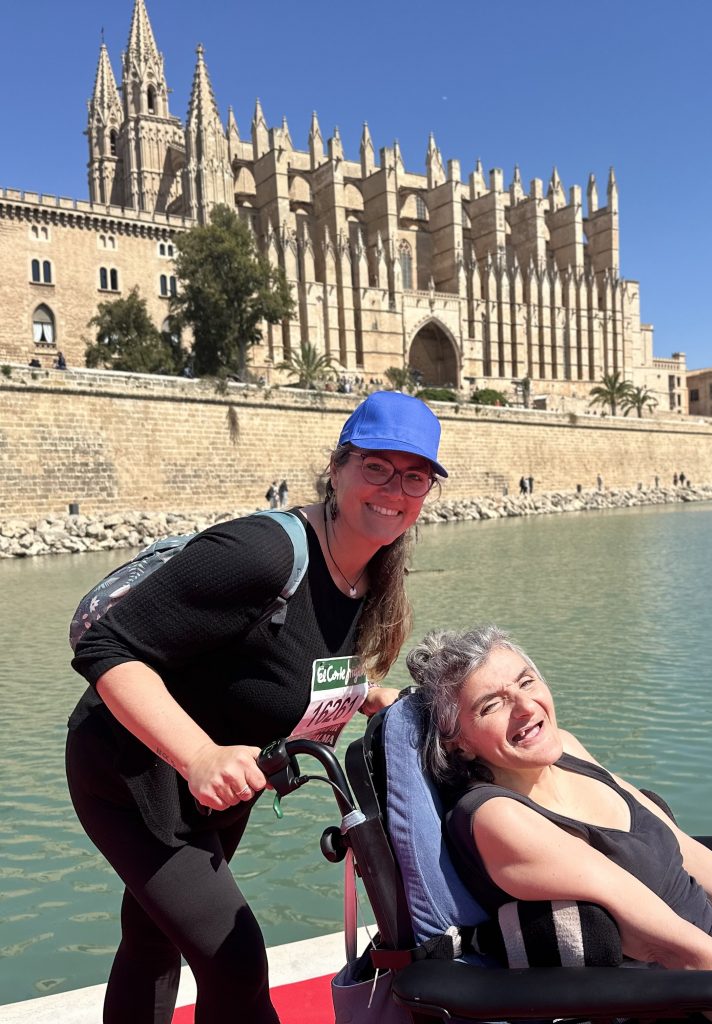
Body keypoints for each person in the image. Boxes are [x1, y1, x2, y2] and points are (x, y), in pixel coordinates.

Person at [66, 391, 447, 1024]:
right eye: (376, 467)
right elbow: (107, 645)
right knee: (235, 960)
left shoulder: (371, 571)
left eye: (415, 476)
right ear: (337, 469)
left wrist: (367, 698)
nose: (394, 490)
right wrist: (198, 755)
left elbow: (280, 665)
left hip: (221, 786)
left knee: (154, 937)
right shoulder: (263, 552)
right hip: (133, 774)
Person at [407, 625, 712, 1024]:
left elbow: (679, 846)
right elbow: (670, 948)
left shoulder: (564, 749)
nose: (526, 707)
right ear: (457, 742)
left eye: (526, 682)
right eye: (491, 705)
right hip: (705, 997)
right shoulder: (500, 818)